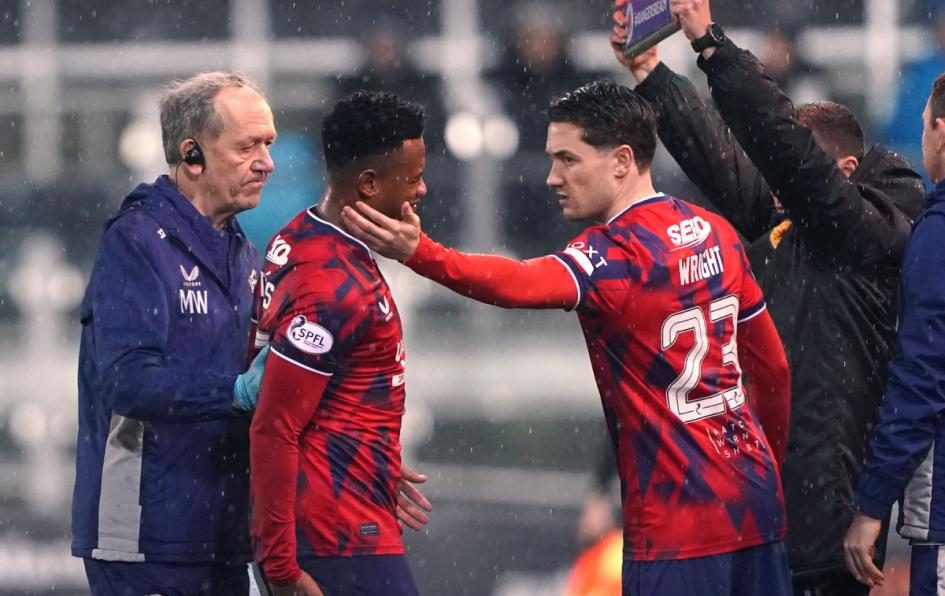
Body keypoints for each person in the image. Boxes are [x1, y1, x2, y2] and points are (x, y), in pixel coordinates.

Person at [343, 79, 793, 596]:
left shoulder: (615, 256)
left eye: (568, 160)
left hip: (677, 525)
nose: (553, 177)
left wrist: (420, 252)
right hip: (755, 508)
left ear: (622, 161)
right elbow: (774, 373)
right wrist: (769, 473)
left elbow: (517, 283)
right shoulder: (717, 232)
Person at [610, 0, 926, 592]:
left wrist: (712, 45)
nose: (774, 188)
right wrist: (653, 75)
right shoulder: (795, 226)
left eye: (790, 174)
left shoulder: (860, 234)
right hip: (772, 513)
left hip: (822, 528)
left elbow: (786, 154)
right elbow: (724, 159)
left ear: (844, 170)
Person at [72, 71, 276, 595]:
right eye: (248, 146)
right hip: (145, 534)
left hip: (223, 532)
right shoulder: (135, 243)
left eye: (268, 145)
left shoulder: (244, 253)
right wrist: (234, 392)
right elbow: (127, 381)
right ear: (192, 155)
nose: (266, 163)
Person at [249, 91, 429, 596]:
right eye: (412, 178)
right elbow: (273, 426)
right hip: (338, 533)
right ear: (369, 184)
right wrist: (281, 568)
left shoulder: (302, 234)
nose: (422, 189)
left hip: (348, 511)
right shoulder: (331, 287)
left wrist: (369, 453)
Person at [843, 74, 945, 595]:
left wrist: (872, 503)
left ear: (942, 132)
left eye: (926, 125)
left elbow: (922, 381)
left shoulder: (937, 234)